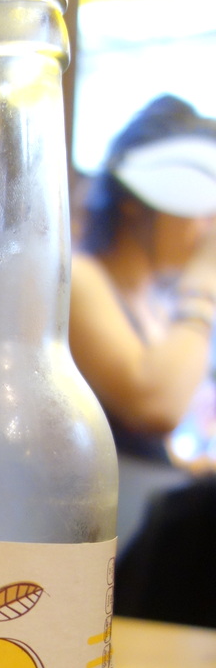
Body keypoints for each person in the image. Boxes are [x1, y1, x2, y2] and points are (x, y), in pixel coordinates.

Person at [70, 95, 216, 627]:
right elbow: (155, 404)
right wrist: (204, 283)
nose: (207, 225)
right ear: (136, 203)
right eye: (198, 207)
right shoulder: (79, 278)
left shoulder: (153, 302)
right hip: (108, 546)